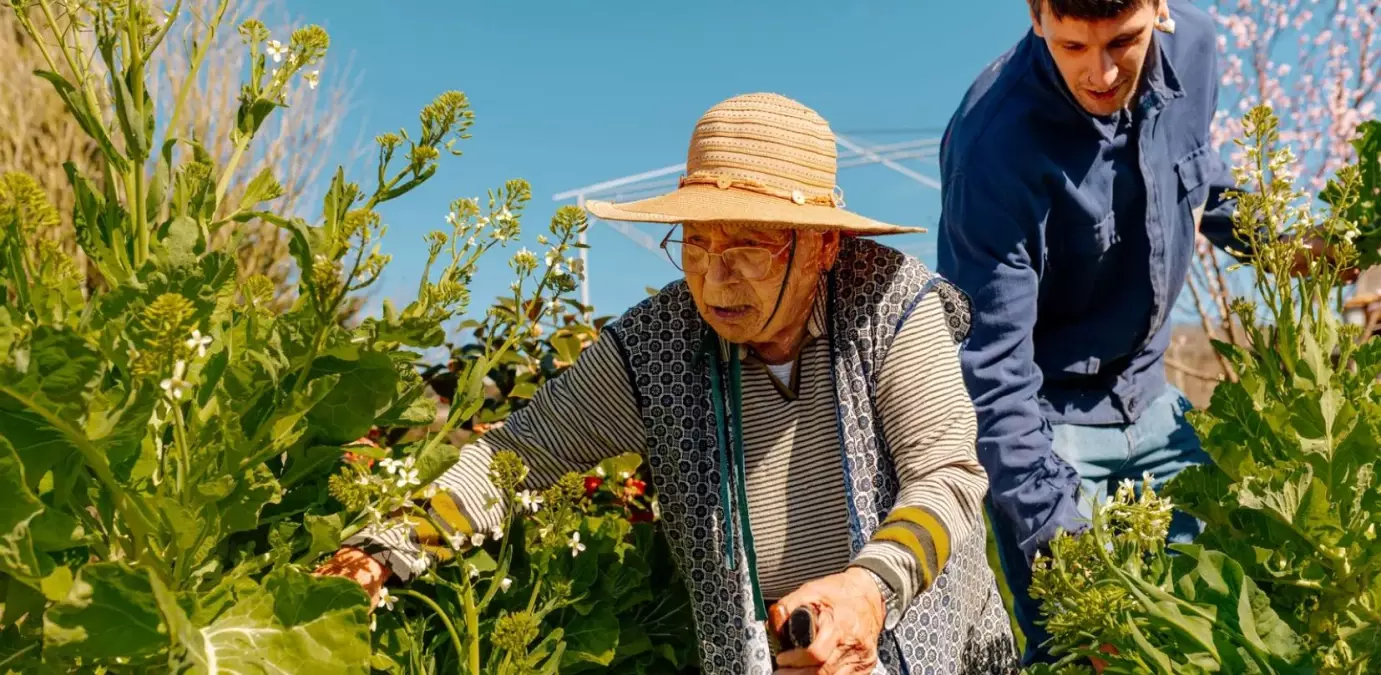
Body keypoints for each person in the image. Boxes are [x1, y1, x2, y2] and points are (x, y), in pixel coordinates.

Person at [318, 93, 1018, 674]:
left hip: (929, 640)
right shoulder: (656, 343)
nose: (715, 279)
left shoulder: (892, 303)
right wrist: (379, 552)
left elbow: (947, 477)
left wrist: (866, 591)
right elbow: (516, 457)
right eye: (695, 244)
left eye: (745, 246)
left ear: (823, 246)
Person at [934, 0, 1351, 665]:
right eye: (1072, 47)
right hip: (1048, 421)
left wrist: (1291, 246)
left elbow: (1196, 176)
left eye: (1122, 42)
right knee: (1093, 647)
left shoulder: (1195, 47)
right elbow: (992, 374)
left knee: (1223, 626)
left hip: (1151, 394)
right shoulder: (992, 144)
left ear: (1157, 10)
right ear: (1035, 19)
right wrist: (1062, 545)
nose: (1099, 74)